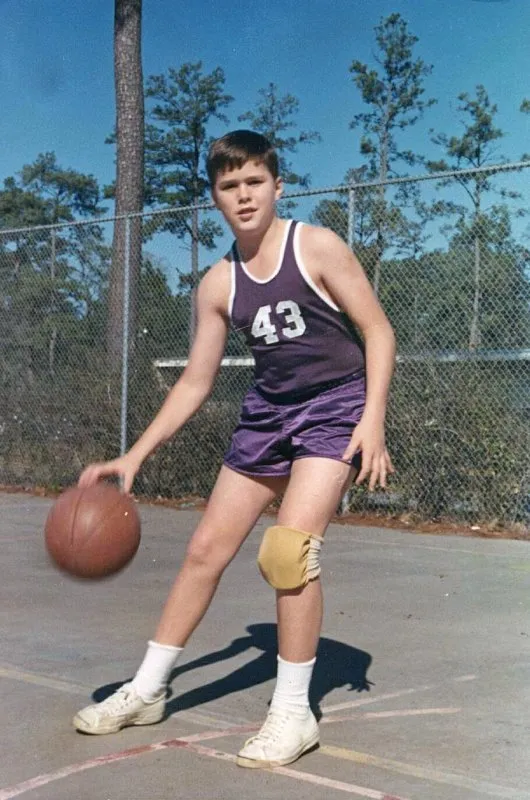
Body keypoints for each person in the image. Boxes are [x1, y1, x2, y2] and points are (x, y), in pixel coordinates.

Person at [73, 130, 396, 769]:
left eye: (254, 182)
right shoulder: (218, 283)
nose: (243, 195)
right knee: (203, 552)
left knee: (286, 553)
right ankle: (146, 690)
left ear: (278, 186)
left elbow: (377, 328)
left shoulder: (317, 246)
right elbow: (196, 380)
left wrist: (374, 420)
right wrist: (135, 455)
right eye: (229, 186)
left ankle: (293, 711)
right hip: (267, 417)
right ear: (215, 199)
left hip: (335, 410)